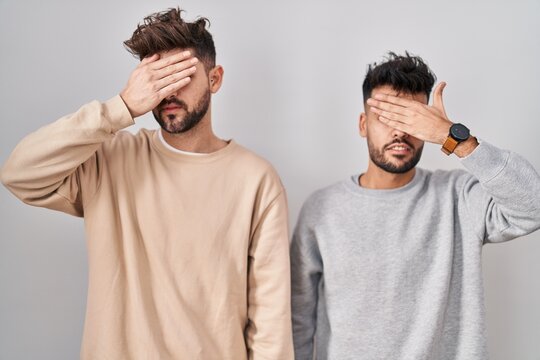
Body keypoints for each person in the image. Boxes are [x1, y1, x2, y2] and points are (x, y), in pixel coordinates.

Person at [1, 8, 293, 360]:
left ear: (214, 79)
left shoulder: (256, 180)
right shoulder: (109, 159)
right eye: (157, 77)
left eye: (180, 74)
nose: (167, 91)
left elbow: (270, 319)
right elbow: (19, 173)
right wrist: (121, 107)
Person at [290, 52, 540, 359]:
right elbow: (298, 319)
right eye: (387, 118)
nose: (400, 132)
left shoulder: (458, 197)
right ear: (362, 124)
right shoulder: (322, 209)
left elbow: (532, 206)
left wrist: (453, 137)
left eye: (411, 120)